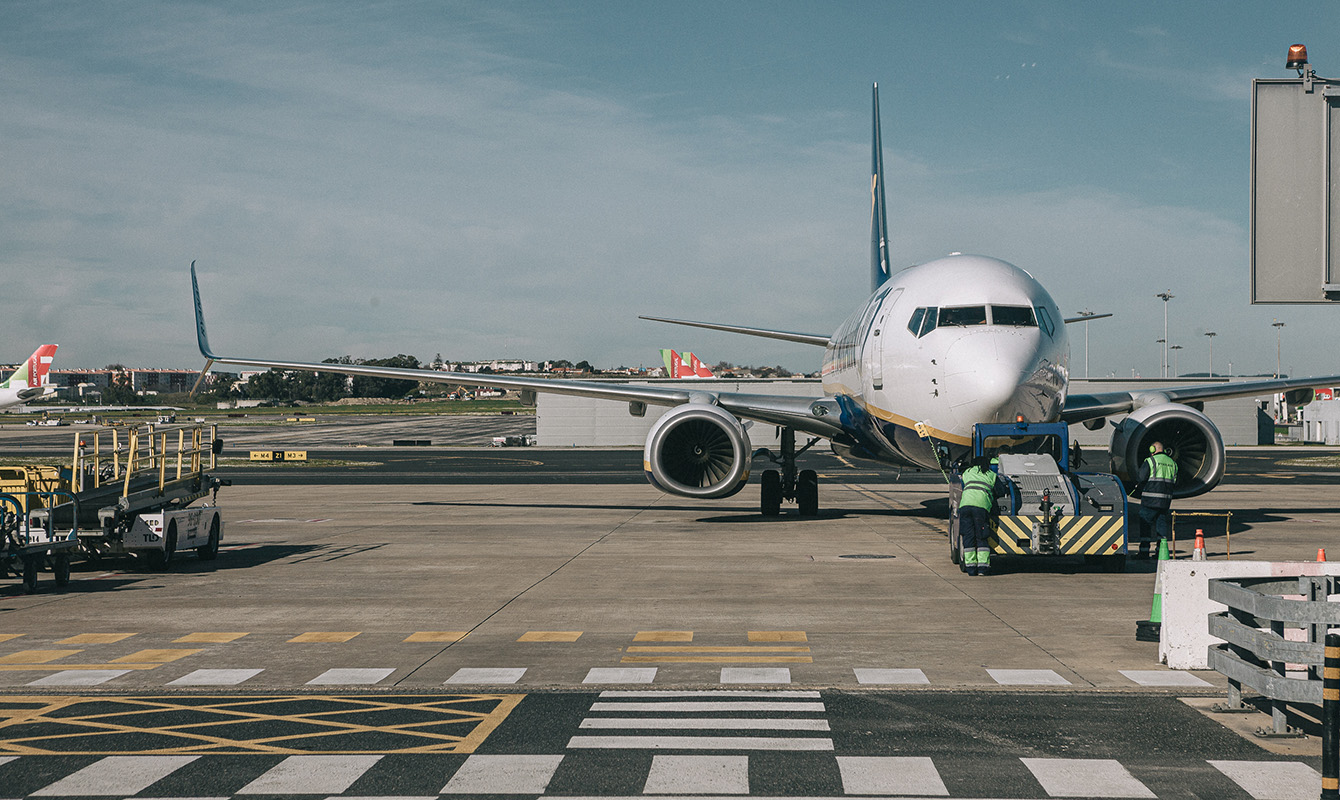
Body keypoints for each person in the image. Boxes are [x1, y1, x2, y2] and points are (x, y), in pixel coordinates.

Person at [959, 454, 1006, 575]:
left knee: (968, 536)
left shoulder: (967, 472)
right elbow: (1001, 491)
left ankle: (970, 568)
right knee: (981, 536)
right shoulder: (991, 474)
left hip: (965, 506)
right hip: (981, 507)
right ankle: (982, 568)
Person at [1134, 442, 1178, 558]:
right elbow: (1175, 481)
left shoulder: (1151, 461)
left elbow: (1141, 477)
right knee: (1161, 525)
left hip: (1150, 499)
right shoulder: (1173, 463)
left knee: (1145, 524)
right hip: (1165, 501)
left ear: (1152, 449)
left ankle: (1144, 552)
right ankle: (1160, 552)